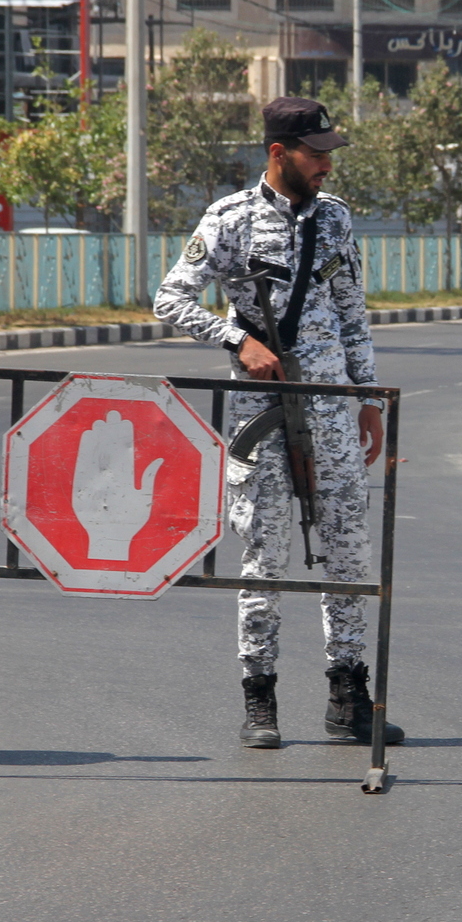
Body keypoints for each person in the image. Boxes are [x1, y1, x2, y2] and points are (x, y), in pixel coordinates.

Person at [154, 96, 403, 750]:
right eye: (315, 153)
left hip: (332, 412)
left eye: (328, 153)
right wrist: (237, 341)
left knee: (347, 554)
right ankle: (259, 697)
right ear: (278, 153)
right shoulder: (229, 219)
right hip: (260, 414)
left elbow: (353, 311)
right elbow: (170, 297)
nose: (326, 164)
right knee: (265, 555)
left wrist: (368, 400)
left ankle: (348, 695)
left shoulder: (337, 220)